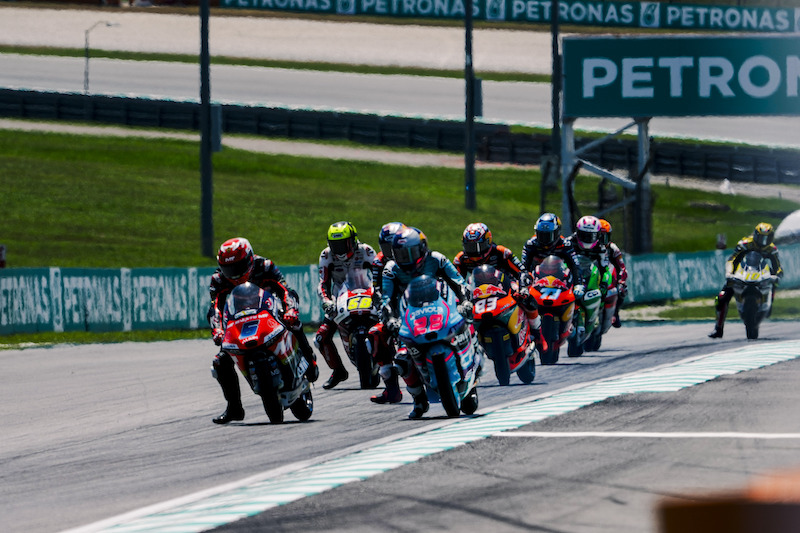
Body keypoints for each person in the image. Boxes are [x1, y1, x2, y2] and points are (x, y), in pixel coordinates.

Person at [207, 237, 318, 424]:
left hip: (270, 313)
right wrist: (217, 329)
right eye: (229, 269)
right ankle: (234, 408)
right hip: (239, 324)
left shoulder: (265, 266)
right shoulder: (218, 279)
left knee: (294, 324)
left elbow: (285, 289)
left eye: (238, 266)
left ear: (250, 260)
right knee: (221, 362)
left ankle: (310, 363)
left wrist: (290, 309)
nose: (233, 274)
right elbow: (215, 307)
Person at [381, 226, 476, 419]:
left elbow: (458, 282)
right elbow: (385, 299)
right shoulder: (391, 270)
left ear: (423, 248)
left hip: (441, 308)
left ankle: (471, 373)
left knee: (467, 327)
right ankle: (419, 400)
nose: (406, 259)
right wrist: (390, 319)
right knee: (401, 359)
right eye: (400, 254)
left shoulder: (437, 259)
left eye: (411, 253)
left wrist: (465, 300)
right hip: (410, 317)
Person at [454, 222, 543, 351]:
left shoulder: (501, 252)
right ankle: (471, 348)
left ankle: (538, 334)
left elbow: (521, 271)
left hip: (505, 286)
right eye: (471, 247)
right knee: (461, 314)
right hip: (477, 292)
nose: (476, 251)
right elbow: (454, 281)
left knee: (528, 299)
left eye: (480, 246)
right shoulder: (460, 259)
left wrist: (523, 286)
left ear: (489, 241)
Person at [316, 221, 377, 389]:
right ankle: (338, 371)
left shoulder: (366, 251)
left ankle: (392, 363)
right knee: (321, 338)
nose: (340, 249)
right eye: (336, 245)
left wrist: (380, 294)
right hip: (339, 299)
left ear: (353, 240)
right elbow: (323, 283)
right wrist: (326, 301)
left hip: (366, 294)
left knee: (390, 324)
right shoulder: (326, 255)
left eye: (344, 244)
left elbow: (379, 274)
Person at [709, 222, 783, 339]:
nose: (763, 242)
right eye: (760, 237)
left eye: (766, 238)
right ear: (755, 235)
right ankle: (718, 328)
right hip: (741, 273)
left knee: (774, 282)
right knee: (722, 297)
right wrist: (729, 273)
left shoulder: (771, 249)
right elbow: (732, 259)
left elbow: (777, 266)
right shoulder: (745, 244)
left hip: (761, 274)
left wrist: (778, 275)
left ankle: (769, 303)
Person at [368, 221, 407, 405]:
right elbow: (376, 289)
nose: (391, 251)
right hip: (391, 306)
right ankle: (392, 390)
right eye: (386, 246)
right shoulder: (378, 261)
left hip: (419, 305)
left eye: (394, 245)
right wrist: (384, 309)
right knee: (376, 335)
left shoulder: (415, 253)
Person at [521, 213, 584, 287]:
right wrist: (523, 285)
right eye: (541, 235)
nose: (544, 240)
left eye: (548, 236)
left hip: (560, 280)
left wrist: (578, 285)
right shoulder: (530, 244)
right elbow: (523, 267)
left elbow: (575, 266)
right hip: (535, 281)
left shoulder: (565, 245)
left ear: (557, 233)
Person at [598, 219, 628, 327]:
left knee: (622, 289)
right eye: (598, 237)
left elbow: (622, 267)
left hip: (610, 277)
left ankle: (615, 312)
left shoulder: (612, 248)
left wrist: (621, 281)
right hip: (593, 275)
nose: (601, 240)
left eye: (604, 237)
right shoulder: (587, 248)